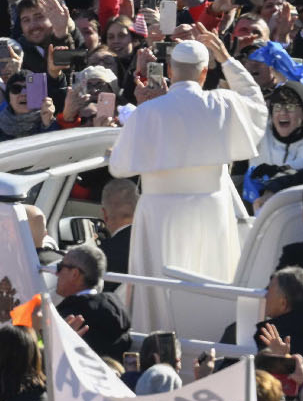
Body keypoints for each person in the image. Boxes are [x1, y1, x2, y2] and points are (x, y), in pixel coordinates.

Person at [106, 25, 265, 338]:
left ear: (169, 70)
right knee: (209, 281)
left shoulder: (147, 112)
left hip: (158, 214)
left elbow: (119, 168)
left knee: (158, 288)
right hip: (210, 210)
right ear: (205, 73)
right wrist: (228, 59)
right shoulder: (223, 103)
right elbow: (257, 106)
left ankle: (154, 345)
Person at [51, 243, 130, 358]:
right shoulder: (118, 311)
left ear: (75, 274)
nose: (56, 273)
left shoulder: (69, 317)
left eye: (60, 267)